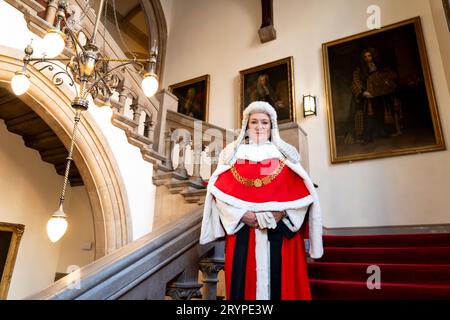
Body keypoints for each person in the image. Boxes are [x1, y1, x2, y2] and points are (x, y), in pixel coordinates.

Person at [200, 101, 323, 300]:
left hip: (281, 234)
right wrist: (241, 215)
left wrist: (282, 212)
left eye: (264, 122)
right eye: (254, 122)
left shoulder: (285, 155)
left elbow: (305, 196)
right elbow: (219, 194)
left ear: (271, 126)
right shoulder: (233, 156)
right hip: (243, 233)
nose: (259, 127)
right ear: (246, 126)